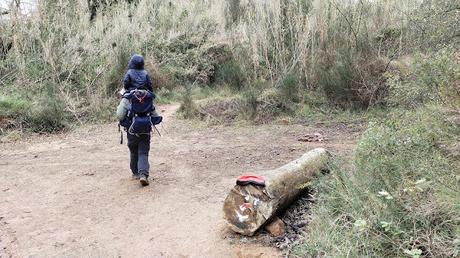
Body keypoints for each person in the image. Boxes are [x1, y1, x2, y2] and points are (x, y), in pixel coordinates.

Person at [117, 54, 156, 186]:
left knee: (133, 150)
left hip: (132, 129)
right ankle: (143, 174)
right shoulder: (147, 95)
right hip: (145, 128)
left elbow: (119, 115)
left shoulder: (128, 98)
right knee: (143, 151)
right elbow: (155, 115)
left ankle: (135, 173)